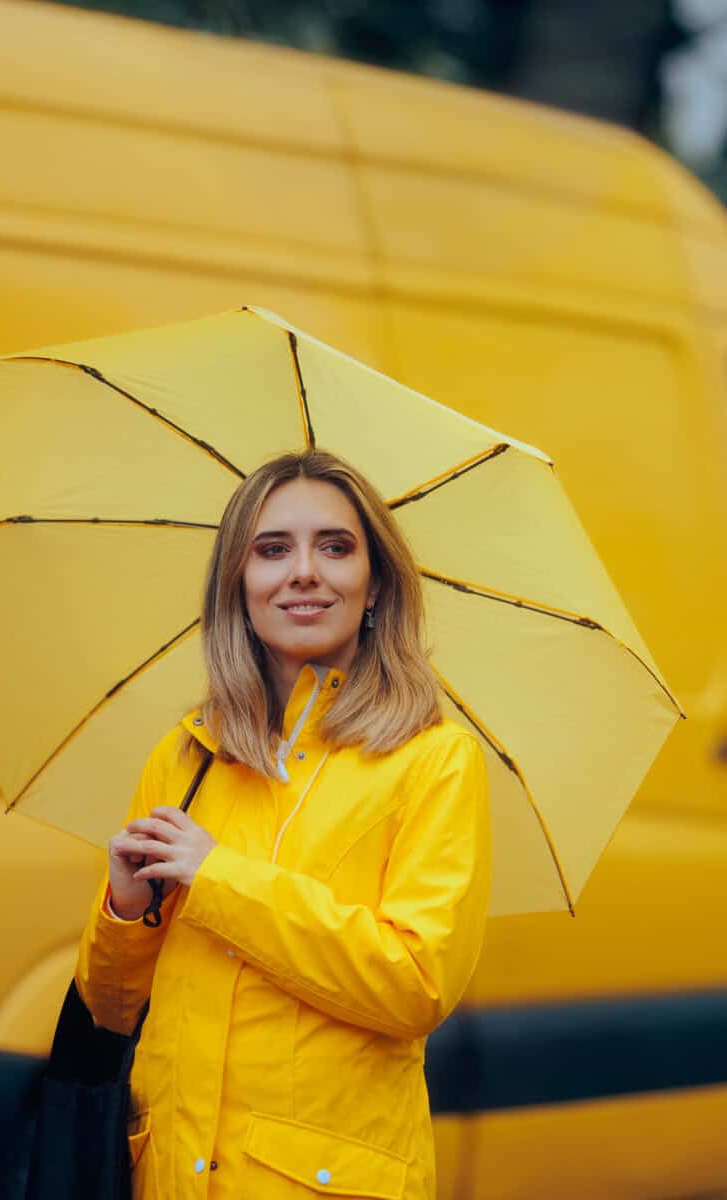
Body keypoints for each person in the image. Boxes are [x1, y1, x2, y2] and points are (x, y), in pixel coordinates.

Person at [76, 448, 493, 1200]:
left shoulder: (433, 760)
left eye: (335, 547)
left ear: (374, 587)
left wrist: (218, 879)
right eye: (272, 550)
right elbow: (111, 1009)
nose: (303, 572)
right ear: (238, 585)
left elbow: (416, 985)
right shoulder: (187, 757)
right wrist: (125, 913)